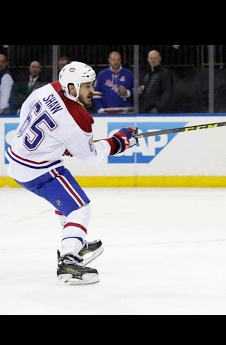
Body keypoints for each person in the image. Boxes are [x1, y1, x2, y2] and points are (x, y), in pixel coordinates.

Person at [4, 61, 137, 285]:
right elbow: (91, 155)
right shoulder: (77, 116)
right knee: (80, 209)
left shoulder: (50, 88)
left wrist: (53, 143)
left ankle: (74, 241)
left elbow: (26, 110)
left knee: (67, 203)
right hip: (39, 169)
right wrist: (118, 142)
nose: (92, 91)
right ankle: (69, 261)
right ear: (72, 87)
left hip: (18, 158)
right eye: (87, 86)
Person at [138, 49, 174, 113]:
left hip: (158, 111)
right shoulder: (147, 73)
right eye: (151, 58)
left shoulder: (164, 73)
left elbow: (167, 92)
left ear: (160, 59)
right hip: (146, 110)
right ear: (148, 59)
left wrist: (158, 108)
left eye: (155, 58)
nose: (153, 60)